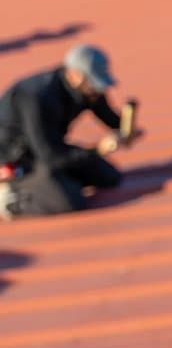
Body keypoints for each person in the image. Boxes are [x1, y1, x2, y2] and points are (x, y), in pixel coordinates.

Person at [0, 44, 137, 218]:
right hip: (15, 160)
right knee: (70, 200)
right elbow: (49, 156)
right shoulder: (36, 97)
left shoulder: (85, 90)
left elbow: (108, 116)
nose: (98, 91)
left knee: (108, 177)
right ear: (75, 76)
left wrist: (126, 130)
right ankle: (7, 199)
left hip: (48, 150)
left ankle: (52, 182)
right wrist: (98, 150)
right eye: (94, 85)